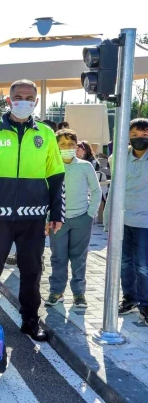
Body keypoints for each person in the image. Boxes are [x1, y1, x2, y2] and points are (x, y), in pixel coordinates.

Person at [0, 79, 65, 342]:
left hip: (33, 217)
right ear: (8, 101)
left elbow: (56, 177)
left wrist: (57, 213)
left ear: (36, 101)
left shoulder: (46, 133)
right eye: (18, 96)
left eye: (29, 97)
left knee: (32, 270)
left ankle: (30, 321)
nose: (24, 101)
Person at [46, 129, 101, 308]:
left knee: (79, 258)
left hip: (81, 219)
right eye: (62, 145)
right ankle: (56, 290)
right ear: (56, 146)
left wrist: (90, 215)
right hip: (57, 221)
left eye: (71, 144)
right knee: (58, 257)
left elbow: (96, 191)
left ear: (77, 146)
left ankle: (79, 294)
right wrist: (47, 218)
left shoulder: (85, 166)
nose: (67, 148)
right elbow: (45, 194)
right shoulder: (50, 167)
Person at [103, 118, 148, 323]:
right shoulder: (118, 159)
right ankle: (129, 298)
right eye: (135, 135)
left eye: (145, 134)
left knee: (143, 265)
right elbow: (114, 189)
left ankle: (145, 304)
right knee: (124, 263)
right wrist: (108, 219)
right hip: (122, 220)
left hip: (145, 223)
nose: (140, 138)